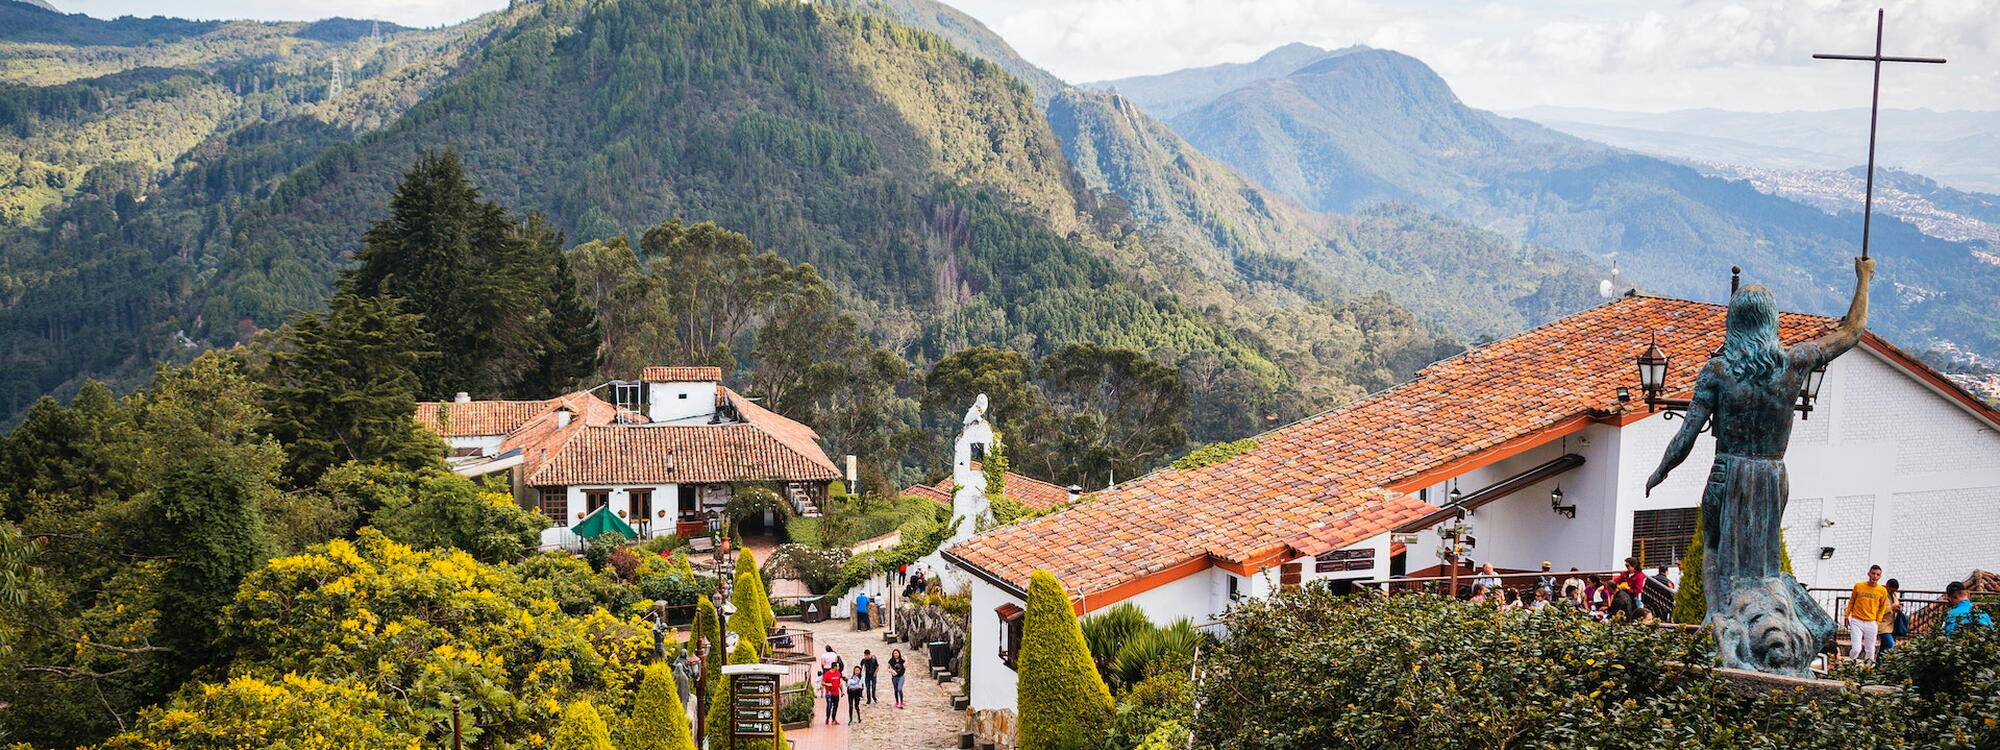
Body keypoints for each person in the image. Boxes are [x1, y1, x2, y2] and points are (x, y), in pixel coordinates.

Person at [1846, 565, 1890, 661]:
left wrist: (1877, 621)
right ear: (1869, 573)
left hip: (1871, 622)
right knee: (1856, 649)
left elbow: (1882, 607)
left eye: (1878, 574)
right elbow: (1851, 602)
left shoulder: (1882, 590)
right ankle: (1849, 663)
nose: (1875, 576)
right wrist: (1846, 616)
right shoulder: (1858, 586)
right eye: (1873, 573)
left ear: (1880, 577)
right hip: (1857, 620)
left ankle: (1868, 669)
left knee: (1870, 649)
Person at [1877, 578, 1904, 653]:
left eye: (1895, 591)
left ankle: (1879, 664)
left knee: (1883, 648)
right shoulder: (1881, 593)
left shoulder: (1893, 594)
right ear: (1887, 586)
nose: (1893, 592)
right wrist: (1891, 608)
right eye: (1892, 590)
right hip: (1883, 625)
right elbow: (1877, 609)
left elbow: (1895, 603)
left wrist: (1898, 607)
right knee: (1891, 645)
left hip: (1892, 626)